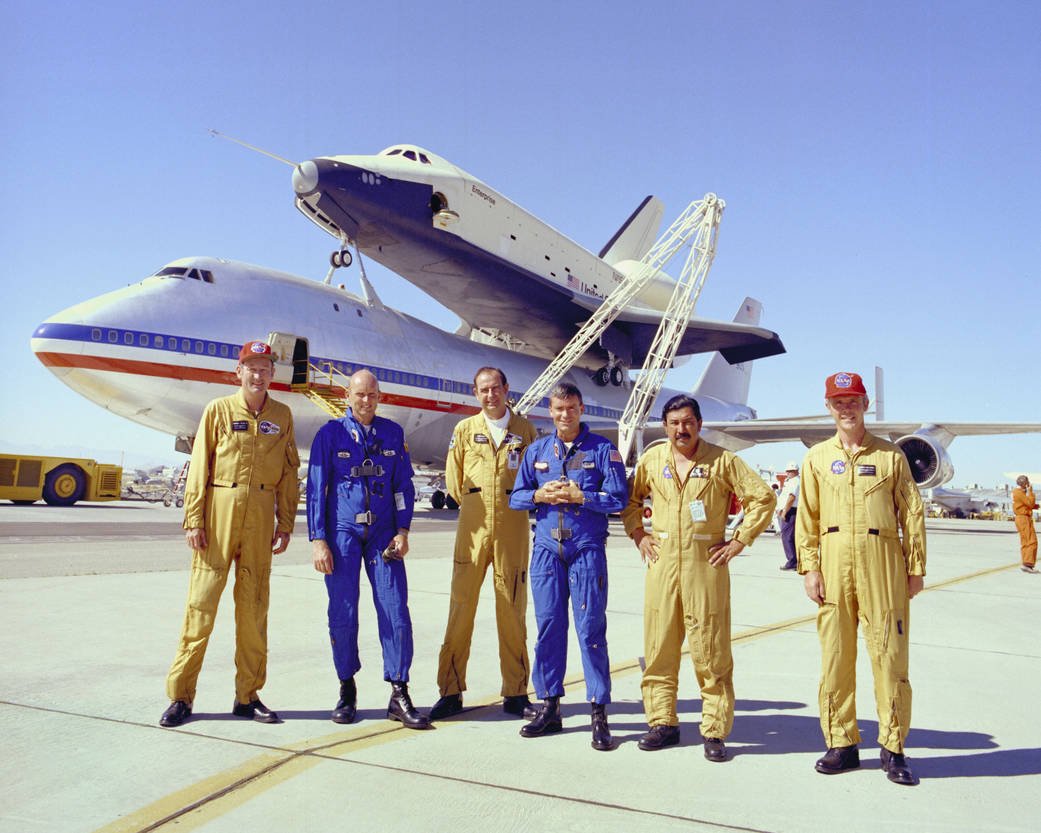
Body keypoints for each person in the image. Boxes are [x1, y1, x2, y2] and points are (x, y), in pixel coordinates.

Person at [621, 394, 775, 760]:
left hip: (705, 565)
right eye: (674, 423)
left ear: (699, 424)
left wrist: (739, 541)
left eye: (688, 422)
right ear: (665, 426)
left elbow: (763, 498)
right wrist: (639, 534)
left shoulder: (722, 461)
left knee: (711, 650)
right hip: (662, 565)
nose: (681, 429)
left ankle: (715, 730)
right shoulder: (652, 460)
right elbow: (628, 500)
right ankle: (662, 722)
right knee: (659, 648)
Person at [160, 340, 300, 728]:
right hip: (219, 512)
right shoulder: (218, 411)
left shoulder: (282, 415)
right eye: (251, 367)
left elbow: (290, 475)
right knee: (200, 608)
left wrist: (285, 523)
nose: (258, 374)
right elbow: (200, 465)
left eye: (265, 368)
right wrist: (193, 519)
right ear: (238, 372)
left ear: (273, 374)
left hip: (260, 516)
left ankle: (248, 695)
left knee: (254, 610)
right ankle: (181, 697)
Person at [797, 371, 926, 786]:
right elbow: (807, 519)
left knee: (889, 655)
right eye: (838, 401)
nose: (846, 407)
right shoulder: (816, 458)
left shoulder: (890, 457)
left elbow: (912, 512)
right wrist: (810, 567)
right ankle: (842, 743)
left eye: (852, 400)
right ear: (828, 406)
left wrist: (915, 566)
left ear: (865, 403)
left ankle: (893, 747)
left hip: (882, 560)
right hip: (834, 563)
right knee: (836, 656)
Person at [307, 368, 429, 729]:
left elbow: (402, 485)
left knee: (395, 610)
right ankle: (347, 688)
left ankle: (399, 690)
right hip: (342, 533)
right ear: (347, 396)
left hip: (383, 535)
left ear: (379, 397)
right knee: (342, 613)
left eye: (372, 395)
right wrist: (318, 540)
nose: (365, 401)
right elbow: (316, 490)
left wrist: (403, 530)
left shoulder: (392, 433)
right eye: (359, 394)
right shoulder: (329, 435)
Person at [508, 381, 628, 750]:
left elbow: (620, 498)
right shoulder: (537, 451)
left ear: (580, 409)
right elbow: (516, 497)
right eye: (559, 409)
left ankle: (599, 712)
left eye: (571, 408)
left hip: (586, 549)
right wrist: (539, 495)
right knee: (548, 627)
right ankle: (550, 706)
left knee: (591, 629)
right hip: (546, 550)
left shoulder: (604, 451)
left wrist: (583, 496)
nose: (565, 414)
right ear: (551, 410)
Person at [429, 368, 539, 721]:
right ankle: (450, 690)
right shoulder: (465, 430)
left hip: (513, 528)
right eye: (483, 390)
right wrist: (478, 505)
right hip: (474, 528)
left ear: (507, 389)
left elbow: (535, 474)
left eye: (496, 388)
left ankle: (517, 692)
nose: (490, 395)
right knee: (461, 607)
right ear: (475, 393)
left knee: (512, 608)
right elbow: (453, 477)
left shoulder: (525, 430)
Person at [1012, 475, 1038, 573]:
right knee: (1032, 541)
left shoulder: (1018, 492)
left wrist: (1036, 506)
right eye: (1028, 482)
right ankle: (1028, 564)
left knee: (1025, 541)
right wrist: (1030, 491)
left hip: (1021, 518)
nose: (1029, 483)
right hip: (1023, 518)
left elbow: (1026, 504)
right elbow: (1030, 503)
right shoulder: (1019, 492)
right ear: (1024, 483)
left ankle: (1026, 563)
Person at [777, 462, 801, 570]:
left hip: (790, 511)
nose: (788, 473)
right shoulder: (791, 481)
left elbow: (791, 498)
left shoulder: (795, 482)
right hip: (788, 510)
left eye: (790, 471)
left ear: (795, 471)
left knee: (787, 537)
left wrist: (785, 512)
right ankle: (794, 561)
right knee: (789, 536)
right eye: (787, 471)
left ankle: (792, 561)